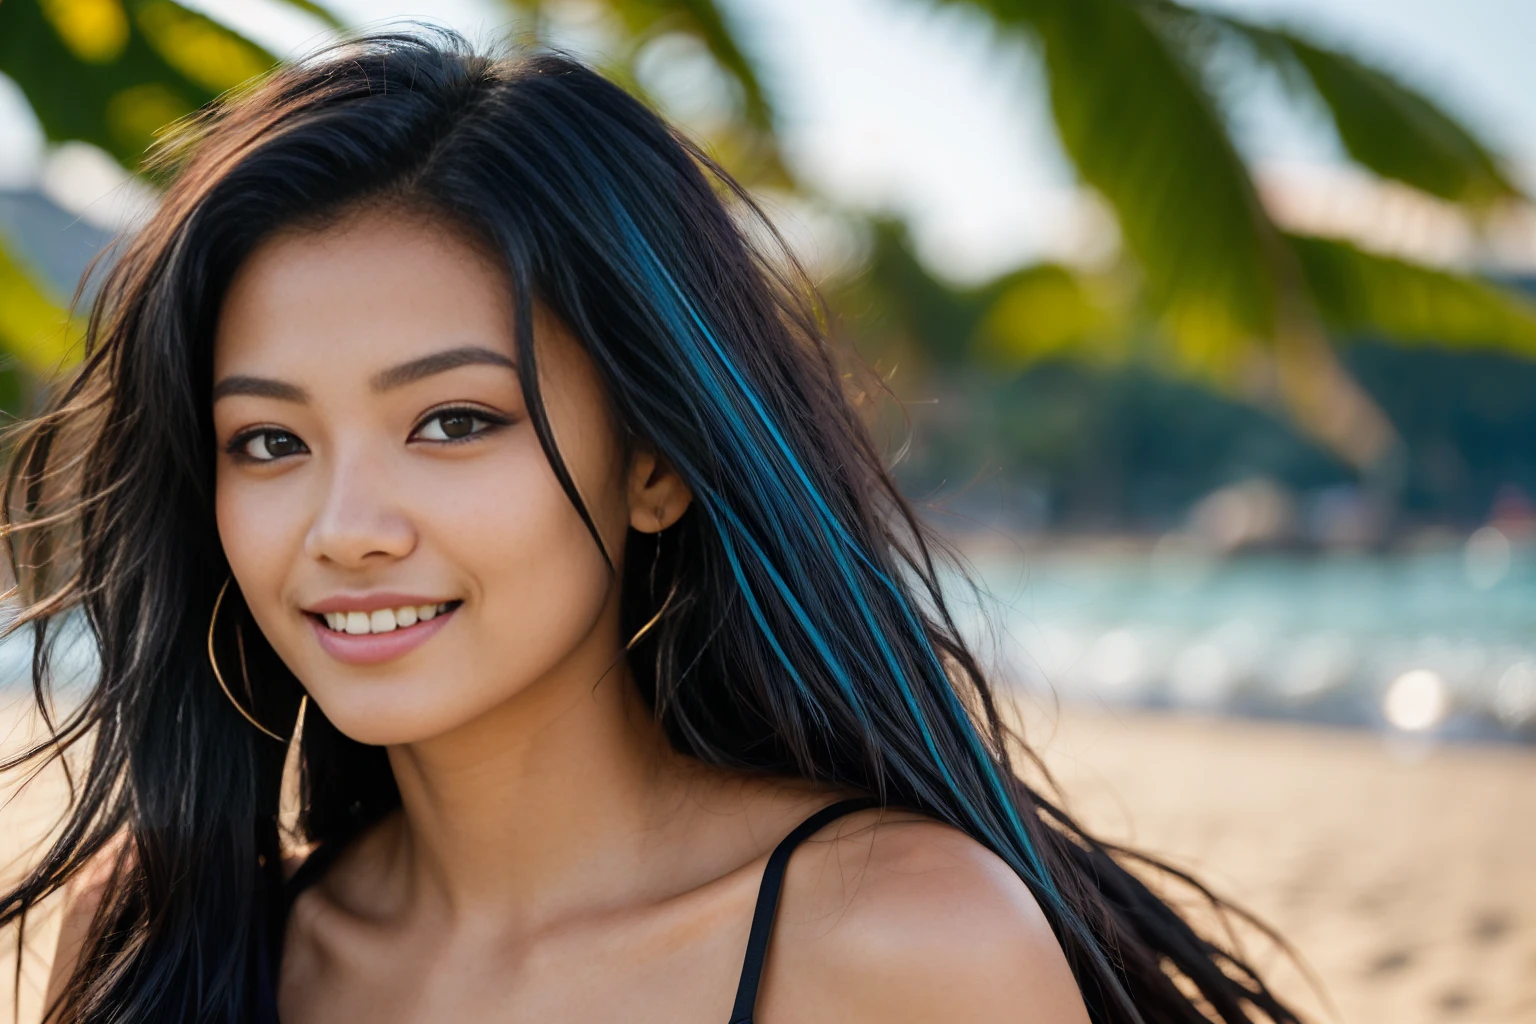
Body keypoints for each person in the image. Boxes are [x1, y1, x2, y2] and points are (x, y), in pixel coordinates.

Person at [0, 32, 1301, 1024]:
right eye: (269, 443)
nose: (344, 530)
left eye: (454, 423)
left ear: (657, 467)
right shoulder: (162, 938)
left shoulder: (897, 946)